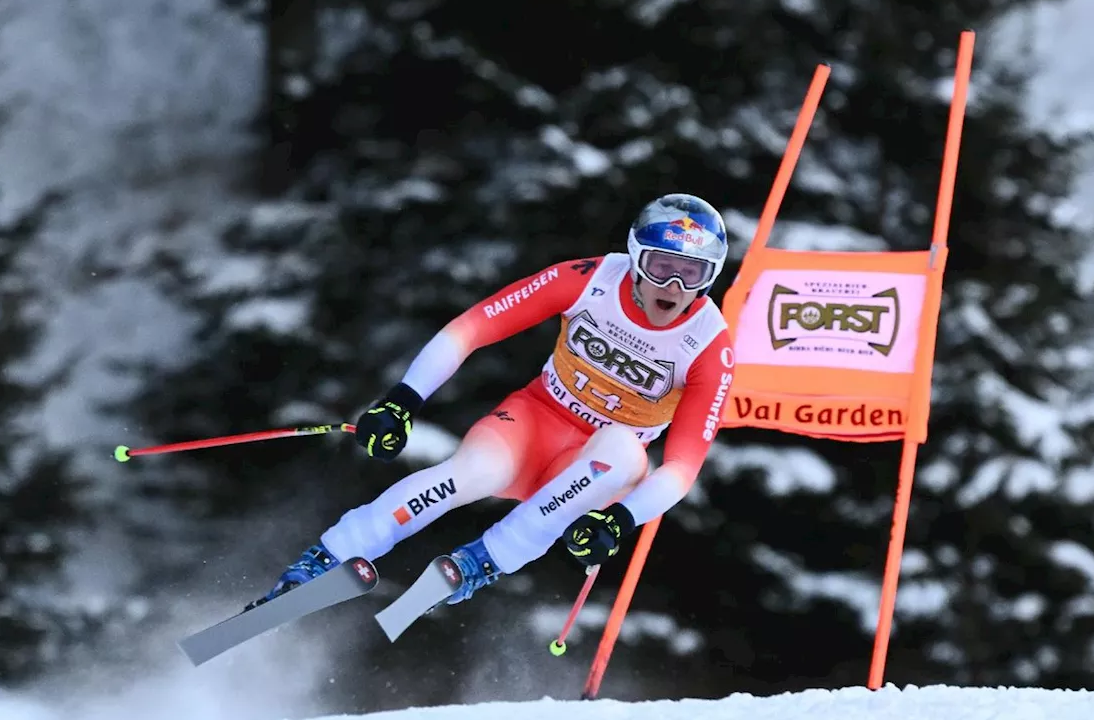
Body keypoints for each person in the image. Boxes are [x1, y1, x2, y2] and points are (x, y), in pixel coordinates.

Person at [246, 193, 736, 612]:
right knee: (465, 475)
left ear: (709, 277)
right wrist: (401, 401)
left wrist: (620, 519)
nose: (673, 287)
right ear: (634, 258)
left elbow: (682, 467)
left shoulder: (709, 345)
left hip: (591, 469)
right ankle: (322, 562)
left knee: (625, 451)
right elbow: (472, 328)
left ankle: (481, 561)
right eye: (661, 266)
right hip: (532, 422)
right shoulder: (590, 279)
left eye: (691, 274)